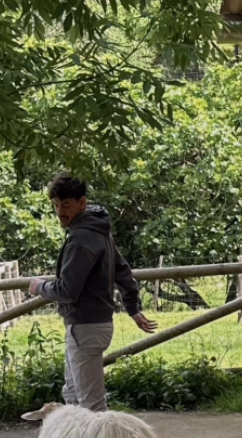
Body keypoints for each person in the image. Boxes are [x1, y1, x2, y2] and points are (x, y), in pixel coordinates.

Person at [28, 173, 157, 413]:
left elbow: (67, 289)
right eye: (56, 206)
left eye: (66, 205)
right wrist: (133, 308)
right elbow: (122, 269)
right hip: (91, 325)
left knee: (91, 404)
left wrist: (40, 288)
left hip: (85, 326)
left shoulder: (82, 238)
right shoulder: (99, 230)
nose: (60, 212)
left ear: (82, 203)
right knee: (73, 394)